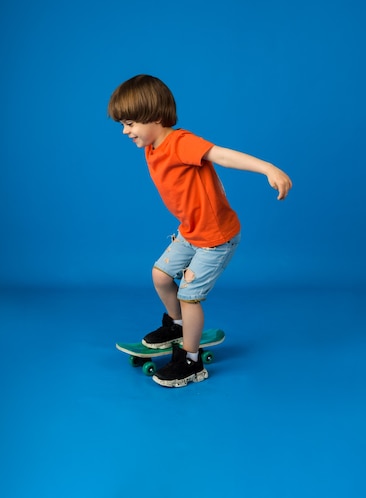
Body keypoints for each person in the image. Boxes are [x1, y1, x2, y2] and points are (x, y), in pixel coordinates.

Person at [108, 74, 292, 388]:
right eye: (123, 125)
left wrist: (268, 168)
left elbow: (222, 155)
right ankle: (177, 325)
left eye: (130, 124)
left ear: (154, 117)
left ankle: (190, 362)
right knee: (160, 276)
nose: (126, 132)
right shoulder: (151, 147)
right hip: (191, 231)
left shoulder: (181, 143)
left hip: (216, 238)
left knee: (189, 296)